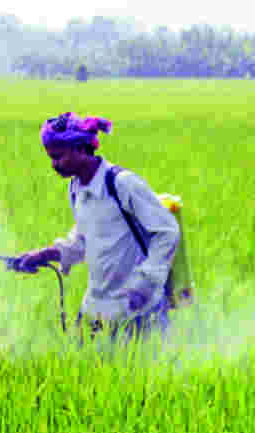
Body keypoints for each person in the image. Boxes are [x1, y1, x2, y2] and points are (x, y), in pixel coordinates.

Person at [15, 112, 180, 341]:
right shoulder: (76, 188)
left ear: (81, 149)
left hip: (139, 308)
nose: (54, 165)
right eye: (51, 158)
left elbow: (167, 232)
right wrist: (44, 255)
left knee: (143, 373)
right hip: (97, 307)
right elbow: (83, 241)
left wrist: (146, 283)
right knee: (84, 370)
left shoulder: (121, 184)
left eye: (59, 156)